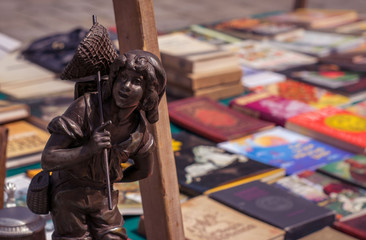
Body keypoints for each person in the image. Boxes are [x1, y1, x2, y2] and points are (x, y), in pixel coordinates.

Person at [41, 50, 166, 240]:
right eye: (122, 78)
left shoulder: (139, 132)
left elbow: (144, 171)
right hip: (68, 196)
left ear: (148, 93)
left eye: (137, 82)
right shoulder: (86, 108)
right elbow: (48, 159)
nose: (126, 86)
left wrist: (109, 178)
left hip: (103, 199)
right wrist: (88, 149)